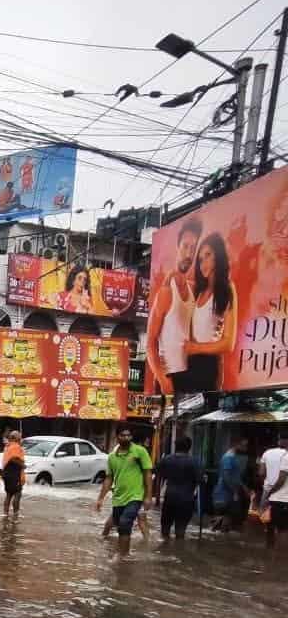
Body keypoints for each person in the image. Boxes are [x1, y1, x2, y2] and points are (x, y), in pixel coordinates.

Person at [147, 217, 201, 396]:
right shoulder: (166, 292)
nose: (189, 253)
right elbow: (150, 343)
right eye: (185, 246)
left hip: (190, 376)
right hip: (168, 378)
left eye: (193, 249)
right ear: (177, 248)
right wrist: (161, 378)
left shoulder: (193, 289)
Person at [180, 232, 237, 393]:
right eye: (200, 259)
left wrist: (195, 348)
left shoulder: (227, 288)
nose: (203, 263)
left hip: (209, 366)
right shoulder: (198, 291)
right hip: (189, 363)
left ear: (218, 256)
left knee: (204, 415)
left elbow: (229, 343)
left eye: (208, 255)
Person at [95, 425, 153, 555]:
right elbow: (109, 478)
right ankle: (122, 553)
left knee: (125, 522)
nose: (126, 438)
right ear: (117, 438)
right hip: (118, 497)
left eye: (129, 435)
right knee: (119, 526)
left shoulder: (140, 451)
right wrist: (100, 498)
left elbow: (148, 474)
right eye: (123, 435)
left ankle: (122, 556)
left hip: (136, 496)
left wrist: (148, 496)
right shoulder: (112, 457)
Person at [155, 434, 200, 539]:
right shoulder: (195, 462)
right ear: (189, 447)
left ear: (175, 446)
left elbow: (157, 473)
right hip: (186, 500)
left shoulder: (167, 460)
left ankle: (164, 549)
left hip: (170, 497)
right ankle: (178, 550)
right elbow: (200, 480)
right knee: (180, 530)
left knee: (165, 529)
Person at [211, 435, 250, 532]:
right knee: (227, 516)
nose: (245, 448)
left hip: (228, 492)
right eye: (243, 445)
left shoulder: (232, 457)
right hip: (225, 493)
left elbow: (234, 476)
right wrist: (235, 491)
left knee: (227, 517)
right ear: (236, 444)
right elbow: (226, 476)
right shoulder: (228, 458)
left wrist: (243, 487)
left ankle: (219, 536)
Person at [259, 430, 288, 549]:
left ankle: (269, 552)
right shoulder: (285, 456)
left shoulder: (267, 453)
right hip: (282, 497)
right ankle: (278, 559)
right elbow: (281, 479)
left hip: (268, 493)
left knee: (269, 525)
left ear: (279, 439)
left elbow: (261, 473)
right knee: (283, 529)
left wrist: (267, 487)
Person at [1, 429, 25, 518]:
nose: (21, 438)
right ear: (16, 438)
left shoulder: (8, 446)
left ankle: (5, 513)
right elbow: (14, 459)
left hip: (6, 473)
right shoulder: (16, 447)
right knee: (18, 494)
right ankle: (15, 514)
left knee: (9, 494)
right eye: (20, 436)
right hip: (14, 473)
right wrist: (23, 465)